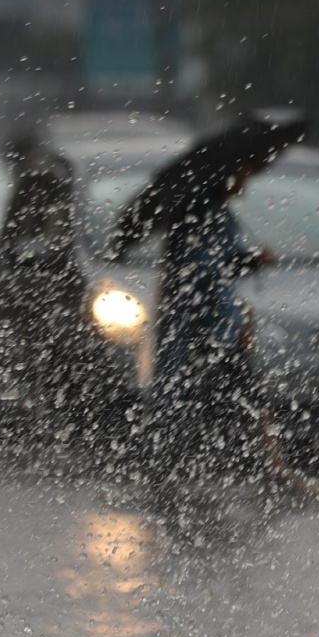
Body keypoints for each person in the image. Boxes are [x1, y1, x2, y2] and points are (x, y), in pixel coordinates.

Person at [110, 115, 307, 483]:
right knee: (212, 401)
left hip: (213, 331)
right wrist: (244, 265)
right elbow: (200, 271)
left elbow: (215, 265)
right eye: (245, 171)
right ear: (229, 171)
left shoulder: (213, 211)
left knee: (237, 399)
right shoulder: (199, 211)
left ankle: (263, 471)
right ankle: (241, 474)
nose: (248, 181)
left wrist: (247, 262)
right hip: (201, 333)